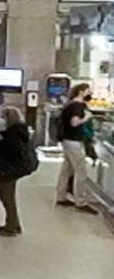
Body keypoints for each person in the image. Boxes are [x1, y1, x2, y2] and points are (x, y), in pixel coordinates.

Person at [0, 106, 37, 236]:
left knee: (6, 197)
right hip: (15, 169)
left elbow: (10, 151)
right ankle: (13, 223)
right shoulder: (20, 132)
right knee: (7, 196)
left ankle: (10, 226)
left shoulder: (12, 134)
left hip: (9, 169)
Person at [56, 82, 95, 210]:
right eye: (88, 91)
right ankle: (81, 201)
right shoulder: (78, 106)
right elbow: (74, 123)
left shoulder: (69, 104)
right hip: (74, 141)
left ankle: (61, 196)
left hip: (67, 140)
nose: (90, 94)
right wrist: (86, 118)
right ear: (81, 92)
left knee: (66, 170)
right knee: (81, 170)